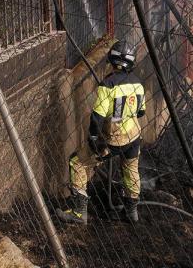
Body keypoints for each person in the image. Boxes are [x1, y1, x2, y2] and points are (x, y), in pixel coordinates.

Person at [57, 41, 146, 224]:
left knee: (77, 162)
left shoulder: (108, 85)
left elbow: (97, 116)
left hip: (113, 140)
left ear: (111, 61)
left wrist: (95, 138)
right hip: (134, 137)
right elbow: (141, 112)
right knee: (131, 170)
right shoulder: (138, 83)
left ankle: (79, 213)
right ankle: (132, 212)